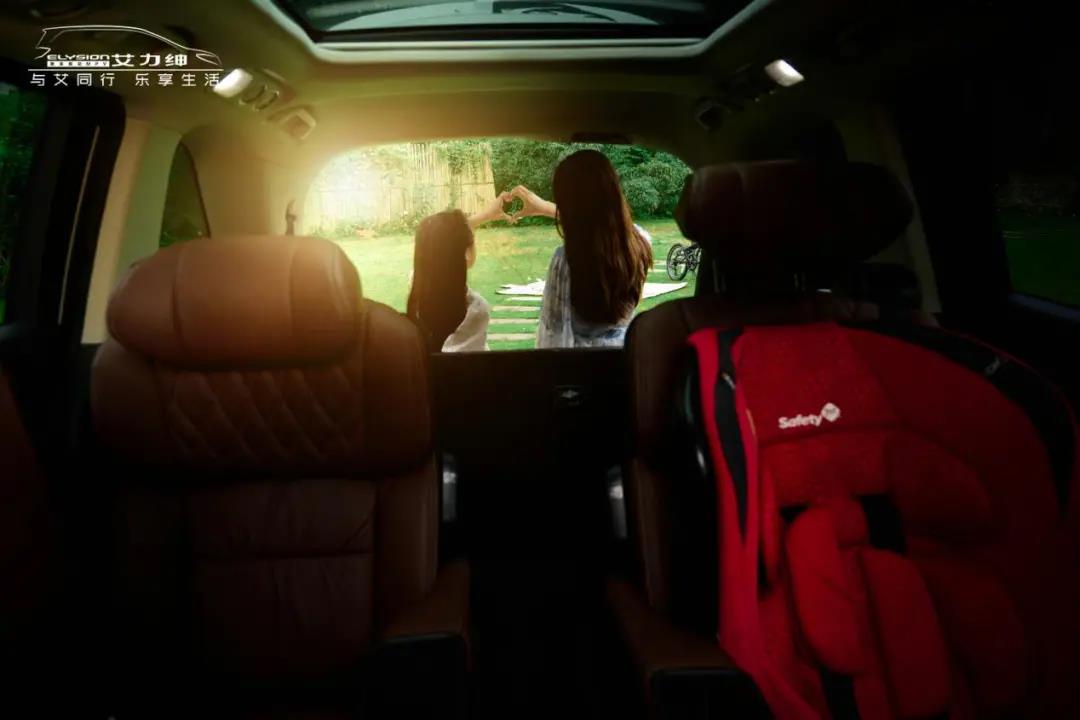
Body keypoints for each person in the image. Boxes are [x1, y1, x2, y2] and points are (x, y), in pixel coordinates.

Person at [510, 150, 653, 348]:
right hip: (626, 358)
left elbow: (552, 335)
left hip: (582, 364)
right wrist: (545, 208)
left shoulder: (565, 260)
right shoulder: (640, 243)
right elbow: (603, 223)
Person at [407, 192, 513, 352]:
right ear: (466, 254)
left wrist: (485, 215)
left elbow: (438, 241)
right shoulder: (477, 310)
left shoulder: (418, 286)